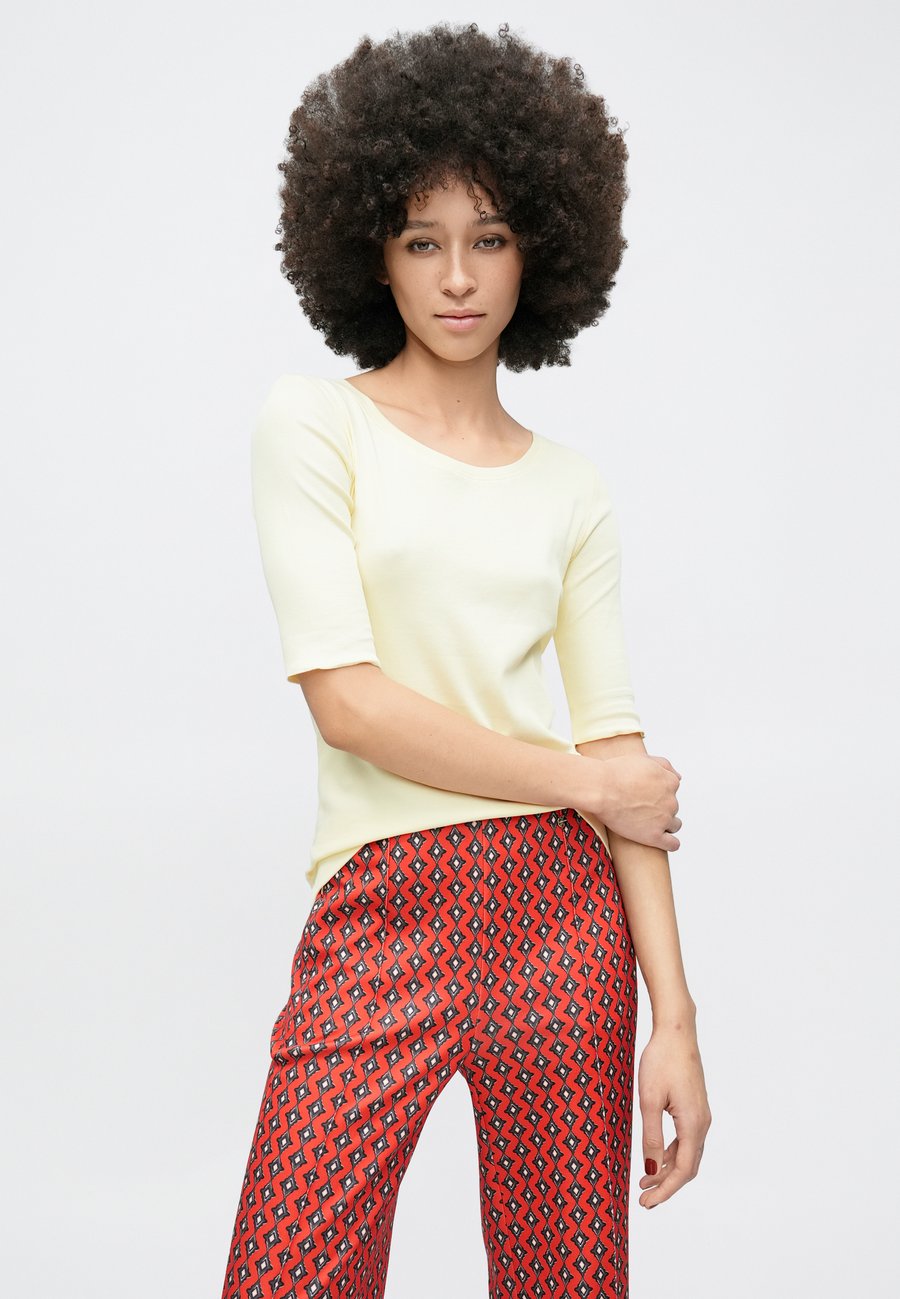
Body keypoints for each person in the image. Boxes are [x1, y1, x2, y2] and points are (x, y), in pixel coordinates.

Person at [221, 21, 711, 1299]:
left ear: (539, 247)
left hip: (563, 917)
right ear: (368, 253)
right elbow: (348, 704)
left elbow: (617, 742)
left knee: (567, 1281)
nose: (456, 278)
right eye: (420, 240)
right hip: (382, 902)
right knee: (285, 1273)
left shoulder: (570, 487)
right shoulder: (314, 425)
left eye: (488, 238)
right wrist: (592, 785)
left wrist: (676, 1019)